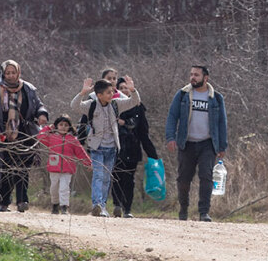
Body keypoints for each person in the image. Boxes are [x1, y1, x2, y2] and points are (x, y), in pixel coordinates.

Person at [0, 60, 49, 212]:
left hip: (25, 133)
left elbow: (38, 105)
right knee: (6, 169)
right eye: (8, 73)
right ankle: (4, 202)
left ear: (18, 73)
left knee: (23, 168)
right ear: (3, 74)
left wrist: (42, 114)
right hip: (3, 135)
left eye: (13, 72)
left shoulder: (28, 89)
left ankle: (22, 201)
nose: (11, 76)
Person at [164, 65, 228, 222]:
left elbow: (222, 123)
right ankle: (183, 209)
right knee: (184, 179)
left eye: (196, 75)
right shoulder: (182, 95)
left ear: (205, 78)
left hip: (208, 143)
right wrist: (170, 137)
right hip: (187, 143)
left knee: (206, 176)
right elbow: (172, 116)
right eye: (191, 74)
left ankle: (204, 212)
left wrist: (222, 146)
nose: (193, 77)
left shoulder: (216, 98)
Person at [71, 75, 140, 217]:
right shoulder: (91, 105)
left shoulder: (116, 104)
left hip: (112, 148)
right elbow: (74, 106)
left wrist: (133, 90)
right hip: (96, 148)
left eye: (112, 91)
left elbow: (134, 102)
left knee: (107, 178)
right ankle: (96, 204)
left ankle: (102, 206)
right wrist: (82, 93)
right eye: (108, 92)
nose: (111, 94)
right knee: (98, 175)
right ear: (99, 95)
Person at [111, 77, 158, 218]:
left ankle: (127, 208)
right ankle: (117, 204)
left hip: (132, 148)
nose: (124, 90)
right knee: (116, 177)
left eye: (126, 88)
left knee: (129, 179)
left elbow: (143, 132)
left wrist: (152, 153)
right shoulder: (113, 105)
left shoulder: (138, 107)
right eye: (121, 88)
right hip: (116, 147)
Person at [36, 115, 91, 215]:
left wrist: (88, 163)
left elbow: (80, 152)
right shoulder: (52, 137)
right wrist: (49, 128)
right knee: (54, 188)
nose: (63, 127)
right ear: (56, 126)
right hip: (54, 167)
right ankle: (55, 205)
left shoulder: (72, 140)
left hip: (67, 169)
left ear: (69, 127)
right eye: (61, 125)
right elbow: (40, 136)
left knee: (64, 188)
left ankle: (64, 207)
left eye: (66, 125)